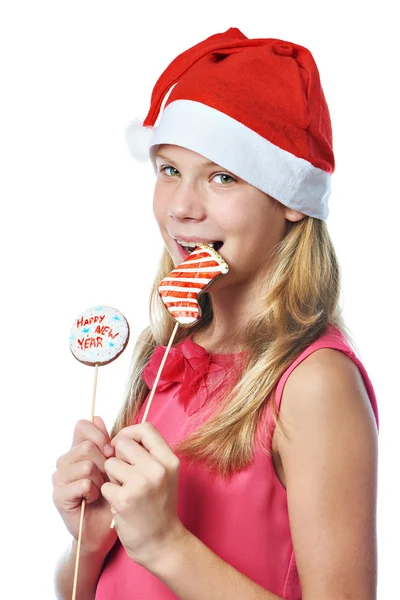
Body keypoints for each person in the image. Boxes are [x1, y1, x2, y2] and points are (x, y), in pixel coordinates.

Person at [52, 27, 379, 600]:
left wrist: (166, 544)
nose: (181, 207)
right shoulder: (167, 358)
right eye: (169, 170)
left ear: (290, 200)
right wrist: (92, 538)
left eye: (222, 176)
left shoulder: (314, 383)